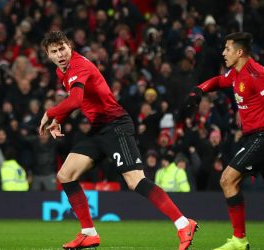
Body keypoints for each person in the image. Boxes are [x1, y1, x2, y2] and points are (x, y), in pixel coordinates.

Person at [38, 31, 198, 250]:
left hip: (116, 125)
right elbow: (78, 100)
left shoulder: (79, 65)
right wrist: (59, 119)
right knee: (65, 175)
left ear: (70, 46)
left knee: (135, 181)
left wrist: (51, 113)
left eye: (62, 48)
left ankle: (183, 223)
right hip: (99, 129)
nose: (60, 54)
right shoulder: (61, 71)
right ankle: (89, 233)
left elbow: (75, 101)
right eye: (54, 51)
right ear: (48, 55)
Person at [181, 32, 264, 250]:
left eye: (227, 48)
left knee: (227, 180)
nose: (224, 53)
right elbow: (219, 81)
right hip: (260, 137)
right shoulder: (235, 73)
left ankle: (239, 240)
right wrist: (199, 90)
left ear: (240, 52)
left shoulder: (257, 73)